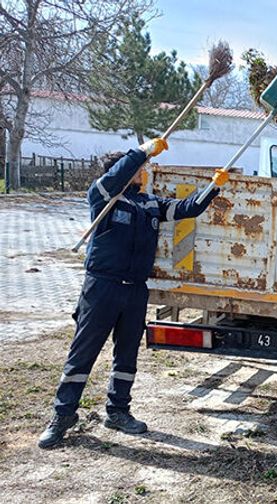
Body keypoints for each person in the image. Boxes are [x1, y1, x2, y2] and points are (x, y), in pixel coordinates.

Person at [38, 139, 226, 449]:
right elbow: (115, 177)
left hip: (135, 290)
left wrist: (212, 189)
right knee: (83, 353)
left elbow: (185, 209)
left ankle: (118, 411)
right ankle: (62, 416)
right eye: (139, 168)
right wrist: (141, 150)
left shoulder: (149, 203)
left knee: (126, 353)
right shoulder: (103, 197)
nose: (143, 170)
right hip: (102, 287)